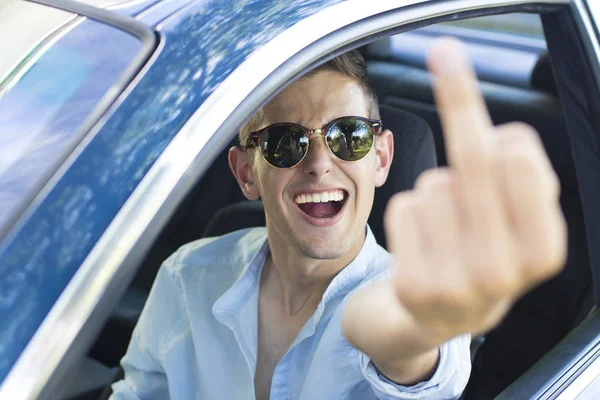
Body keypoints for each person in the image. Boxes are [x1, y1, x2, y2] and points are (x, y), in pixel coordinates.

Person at [110, 38, 566, 399]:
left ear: (382, 159)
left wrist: (414, 336)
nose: (320, 163)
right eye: (286, 143)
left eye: (348, 136)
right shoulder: (186, 275)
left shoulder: (409, 300)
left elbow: (423, 368)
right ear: (247, 173)